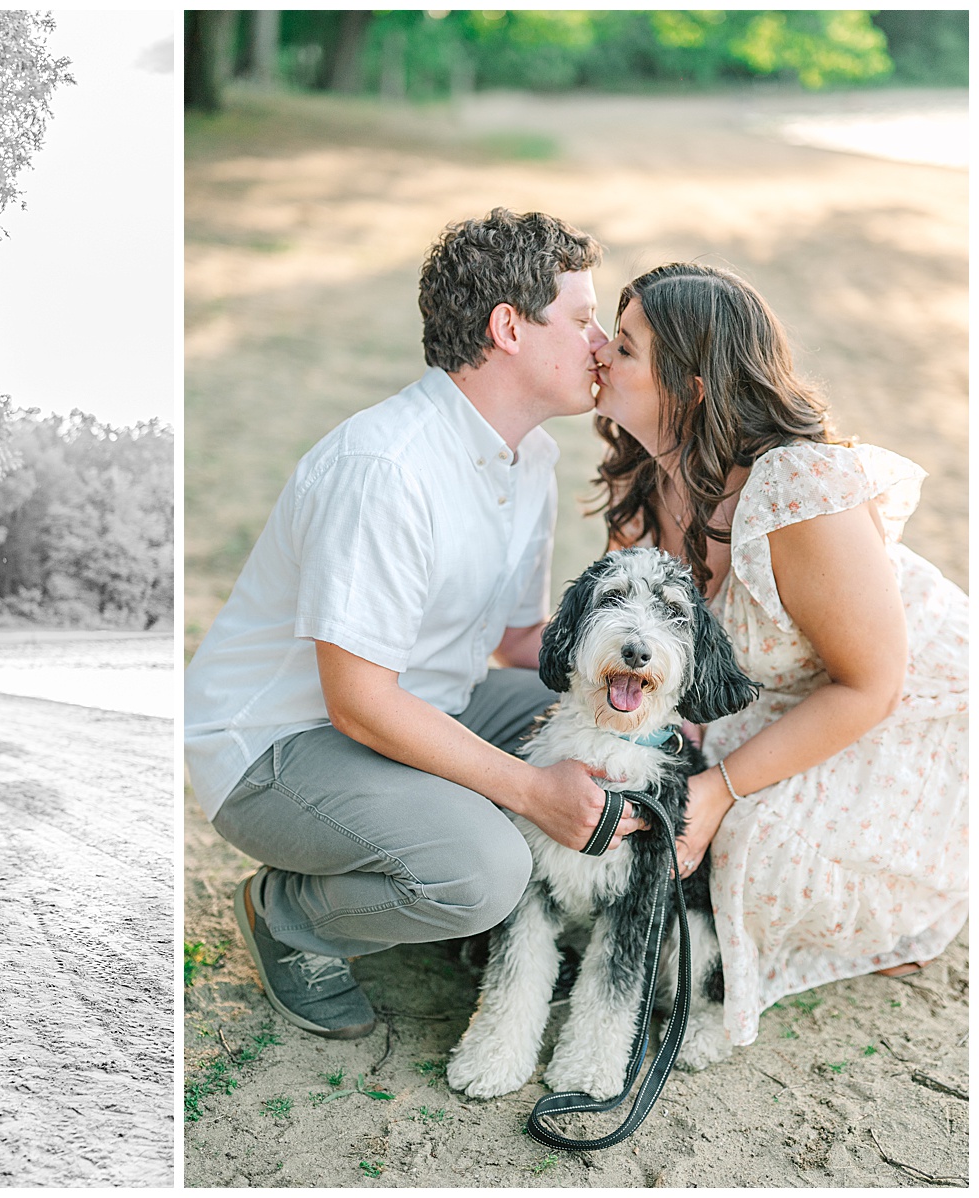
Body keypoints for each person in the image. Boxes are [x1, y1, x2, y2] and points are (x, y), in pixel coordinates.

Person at [183, 208, 649, 1041]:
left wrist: (636, 679)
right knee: (481, 874)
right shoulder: (386, 469)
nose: (600, 345)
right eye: (582, 319)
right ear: (508, 327)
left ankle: (433, 863)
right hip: (280, 744)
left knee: (612, 736)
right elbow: (359, 703)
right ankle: (284, 915)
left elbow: (518, 645)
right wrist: (535, 793)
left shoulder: (530, 456)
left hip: (433, 703)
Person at [591, 262, 969, 1047]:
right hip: (773, 699)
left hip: (905, 709)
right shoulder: (645, 470)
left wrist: (722, 790)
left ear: (691, 387)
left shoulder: (796, 488)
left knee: (746, 853)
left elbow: (872, 684)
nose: (598, 350)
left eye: (624, 348)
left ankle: (903, 904)